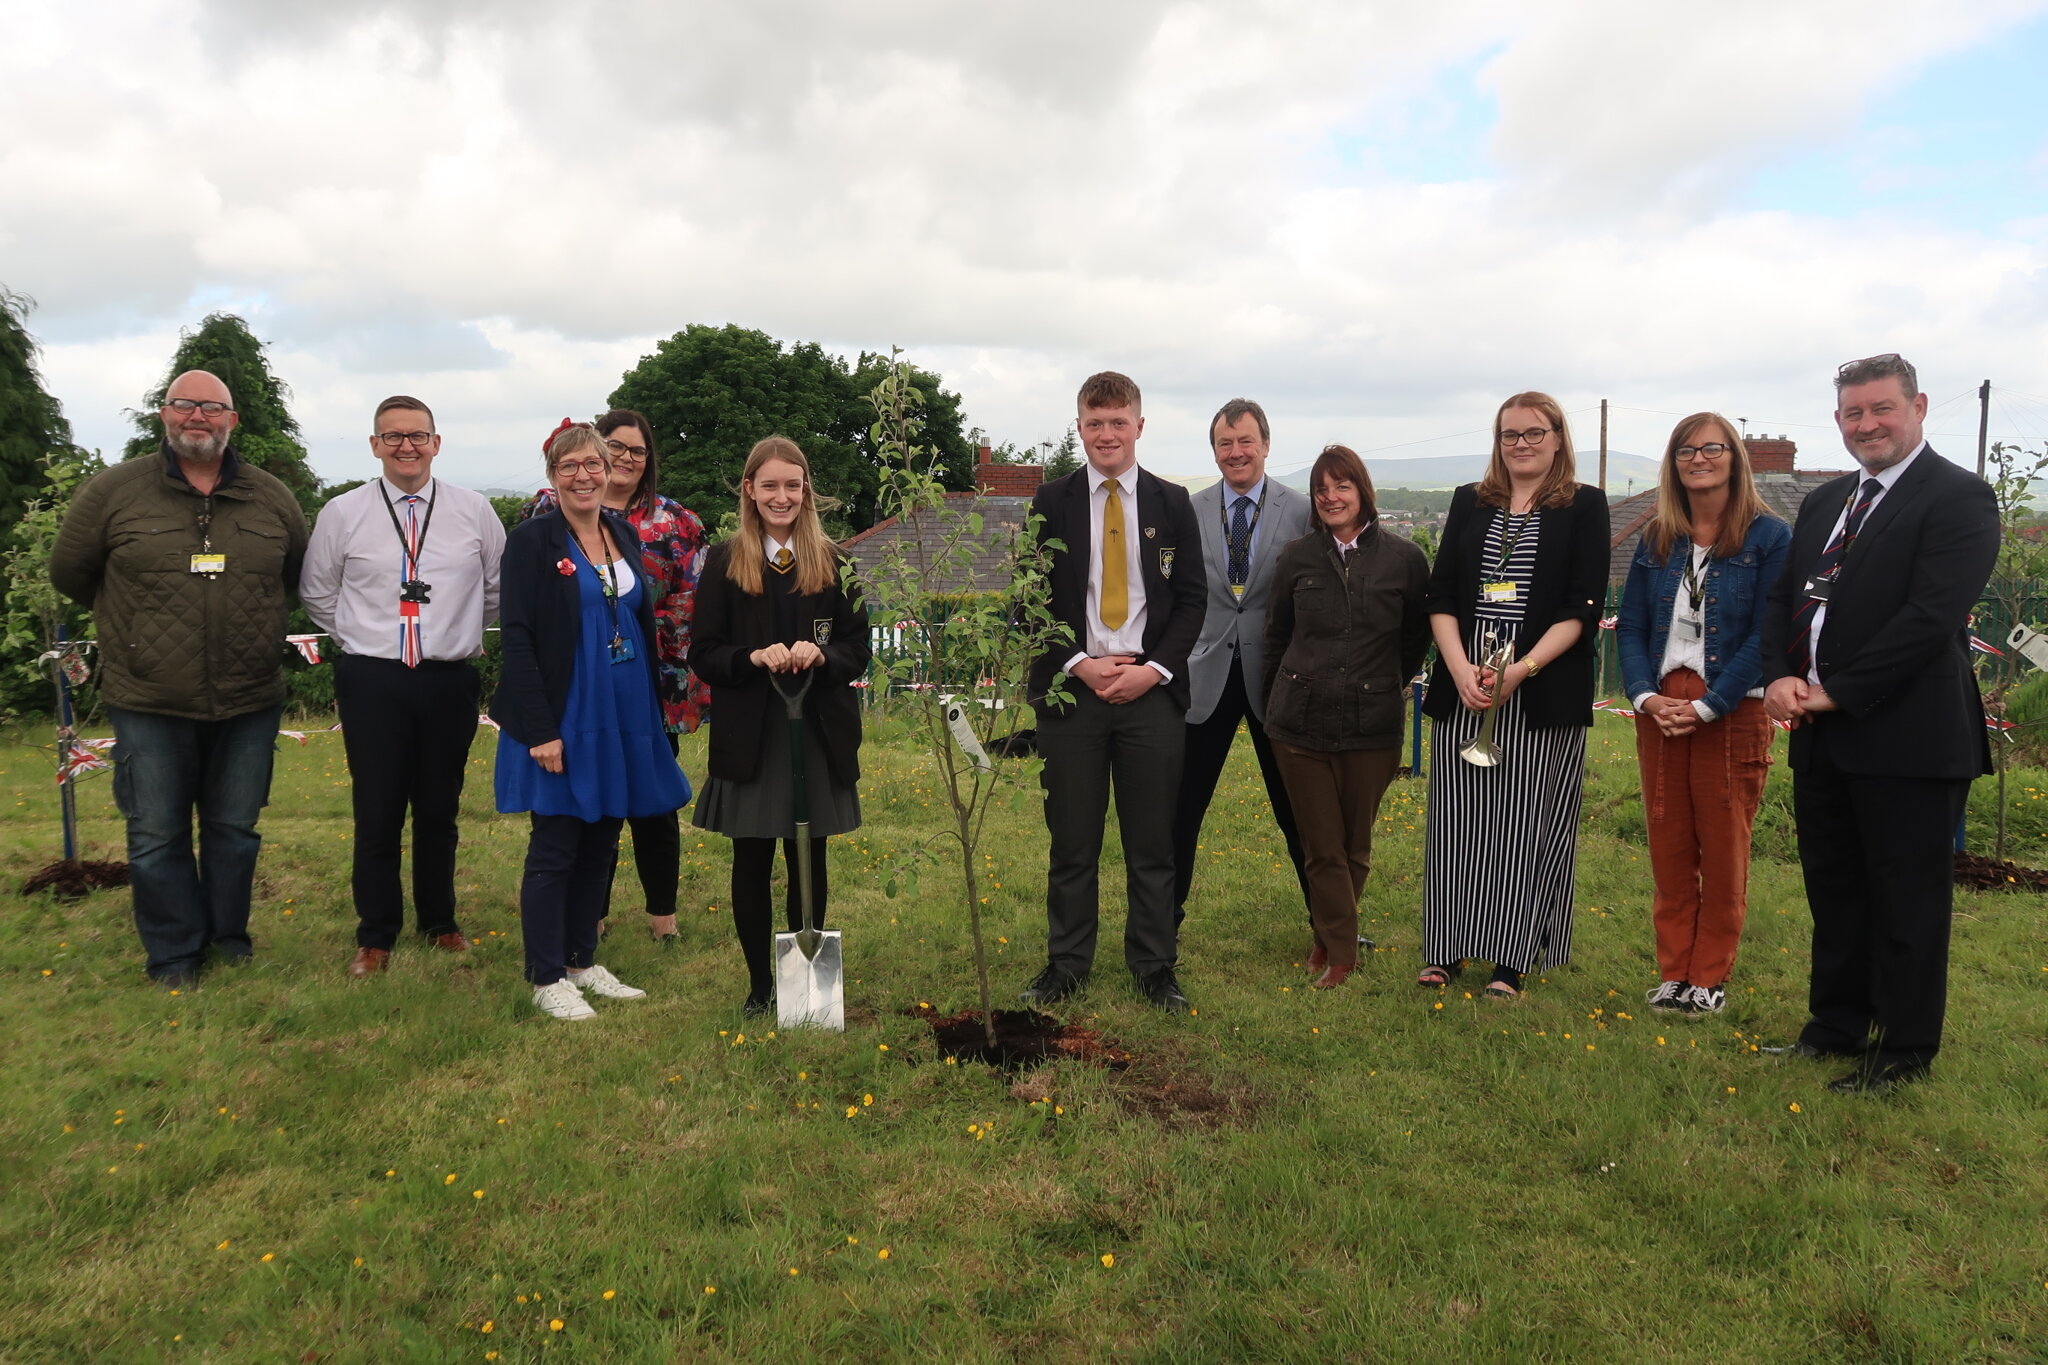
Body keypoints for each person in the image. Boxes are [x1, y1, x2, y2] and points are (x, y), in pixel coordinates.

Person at [1760, 353, 1998, 1094]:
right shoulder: (1825, 502)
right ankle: (1834, 1027)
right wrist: (1778, 674)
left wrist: (1836, 690)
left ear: (1918, 407)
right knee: (1835, 890)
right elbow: (1784, 600)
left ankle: (1902, 1051)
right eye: (1853, 413)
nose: (1867, 424)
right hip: (1824, 735)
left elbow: (1929, 619)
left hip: (1911, 737)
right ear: (1838, 421)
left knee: (1906, 900)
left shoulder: (1960, 498)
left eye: (1881, 409)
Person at [50, 370, 308, 990]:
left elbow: (296, 578)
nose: (198, 416)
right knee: (156, 833)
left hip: (248, 696)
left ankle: (228, 939)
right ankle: (172, 956)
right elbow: (70, 572)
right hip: (149, 697)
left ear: (232, 421)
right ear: (163, 414)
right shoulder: (114, 492)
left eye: (212, 407)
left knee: (235, 830)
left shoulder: (271, 496)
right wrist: (137, 628)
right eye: (184, 404)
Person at [1019, 371, 1206, 1012]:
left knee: (1152, 842)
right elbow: (1031, 600)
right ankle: (1067, 965)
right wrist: (1078, 663)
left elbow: (1191, 601)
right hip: (1074, 693)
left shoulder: (1172, 502)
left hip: (1149, 694)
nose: (1106, 434)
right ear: (1080, 428)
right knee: (1072, 840)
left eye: (1118, 422)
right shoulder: (1051, 501)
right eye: (1095, 423)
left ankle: (1155, 968)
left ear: (1139, 427)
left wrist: (1152, 671)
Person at [301, 395, 505, 977]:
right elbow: (318, 591)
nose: (407, 446)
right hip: (374, 679)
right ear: (374, 445)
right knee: (379, 808)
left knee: (439, 808)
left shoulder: (473, 511)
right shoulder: (342, 512)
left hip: (448, 677)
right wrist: (365, 635)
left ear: (436, 444)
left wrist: (454, 627)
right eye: (393, 437)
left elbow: (496, 590)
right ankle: (376, 935)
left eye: (418, 435)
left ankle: (439, 922)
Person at [490, 422, 687, 1021]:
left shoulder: (621, 532)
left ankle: (581, 960)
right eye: (569, 466)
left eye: (593, 465)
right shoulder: (532, 541)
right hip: (566, 709)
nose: (584, 475)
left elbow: (637, 622)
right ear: (553, 476)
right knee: (557, 842)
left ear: (608, 471)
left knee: (602, 836)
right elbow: (519, 639)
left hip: (625, 709)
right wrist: (541, 729)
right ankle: (545, 975)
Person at [1419, 392, 1608, 999]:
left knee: (1525, 824)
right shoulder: (1469, 503)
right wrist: (1460, 668)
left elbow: (1582, 606)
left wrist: (1520, 669)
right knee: (1457, 820)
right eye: (1509, 435)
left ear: (1557, 437)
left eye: (1534, 433)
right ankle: (1445, 948)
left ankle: (1512, 956)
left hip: (1539, 684)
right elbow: (1442, 595)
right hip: (1466, 682)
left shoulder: (1585, 506)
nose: (1521, 444)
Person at [688, 436, 871, 1016]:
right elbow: (705, 652)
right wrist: (752, 658)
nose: (781, 496)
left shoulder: (837, 561)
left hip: (813, 730)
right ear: (750, 490)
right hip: (751, 732)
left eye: (792, 485)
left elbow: (857, 649)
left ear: (806, 491)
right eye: (769, 485)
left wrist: (822, 658)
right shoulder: (724, 561)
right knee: (751, 858)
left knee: (808, 858)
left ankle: (803, 986)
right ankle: (760, 987)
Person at [1616, 415, 1790, 1015]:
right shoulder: (1657, 538)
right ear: (1674, 462)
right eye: (1687, 450)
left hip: (1731, 707)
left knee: (1722, 849)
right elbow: (1633, 625)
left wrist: (1712, 704)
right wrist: (1644, 697)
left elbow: (1768, 634)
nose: (1699, 458)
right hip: (1661, 707)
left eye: (1713, 448)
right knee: (1667, 845)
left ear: (1735, 458)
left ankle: (1708, 978)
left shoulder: (1769, 537)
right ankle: (1673, 973)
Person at [518, 408, 710, 942]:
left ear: (648, 461)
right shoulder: (543, 518)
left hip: (647, 683)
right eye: (615, 448)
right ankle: (588, 921)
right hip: (575, 687)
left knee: (651, 803)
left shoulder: (673, 522)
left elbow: (691, 599)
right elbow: (530, 614)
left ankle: (661, 916)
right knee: (579, 807)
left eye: (636, 451)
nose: (624, 459)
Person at [1261, 444, 1429, 988]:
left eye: (1342, 486)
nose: (1331, 497)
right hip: (1299, 723)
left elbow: (1413, 642)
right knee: (1322, 845)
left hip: (1371, 725)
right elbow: (1276, 637)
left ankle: (1326, 936)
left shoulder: (1405, 560)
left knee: (1355, 846)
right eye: (1322, 489)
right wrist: (1272, 704)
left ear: (1363, 491)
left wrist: (1382, 685)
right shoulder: (1297, 558)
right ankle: (1342, 956)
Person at [1170, 398, 1314, 930]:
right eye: (1225, 444)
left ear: (1266, 445)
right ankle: (1164, 923)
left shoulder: (1300, 510)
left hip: (1275, 679)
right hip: (1202, 677)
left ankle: (1330, 925)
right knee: (1181, 813)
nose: (1236, 453)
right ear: (1213, 451)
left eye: (1245, 441)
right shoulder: (1187, 509)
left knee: (1297, 811)